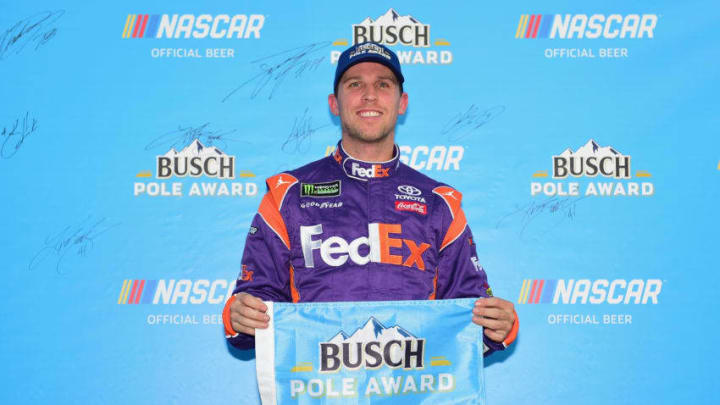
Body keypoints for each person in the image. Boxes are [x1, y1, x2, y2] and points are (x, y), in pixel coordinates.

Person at [223, 42, 518, 355]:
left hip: (413, 392)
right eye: (354, 84)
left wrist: (496, 327)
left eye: (383, 84)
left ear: (401, 102)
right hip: (318, 393)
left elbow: (468, 310)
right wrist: (239, 316)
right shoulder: (287, 195)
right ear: (333, 103)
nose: (369, 95)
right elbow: (257, 304)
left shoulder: (439, 203)